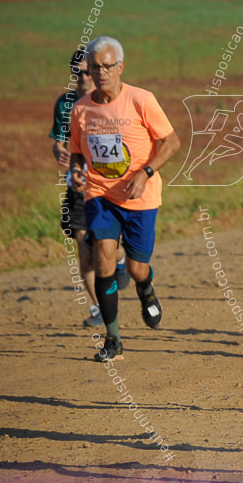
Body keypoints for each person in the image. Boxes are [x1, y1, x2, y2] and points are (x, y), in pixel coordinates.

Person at [69, 37, 181, 362]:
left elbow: (172, 142)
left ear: (120, 67)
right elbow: (77, 153)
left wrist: (145, 172)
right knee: (103, 258)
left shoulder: (141, 100)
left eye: (107, 66)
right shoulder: (82, 109)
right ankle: (113, 339)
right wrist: (77, 172)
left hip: (139, 195)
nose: (101, 72)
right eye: (95, 67)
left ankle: (146, 290)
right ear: (88, 69)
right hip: (99, 192)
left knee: (136, 268)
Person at [51, 50, 129, 327]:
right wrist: (60, 152)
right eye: (77, 72)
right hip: (79, 187)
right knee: (85, 250)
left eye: (87, 71)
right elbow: (59, 141)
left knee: (108, 247)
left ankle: (120, 262)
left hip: (111, 185)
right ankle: (98, 308)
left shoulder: (116, 101)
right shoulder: (66, 104)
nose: (82, 77)